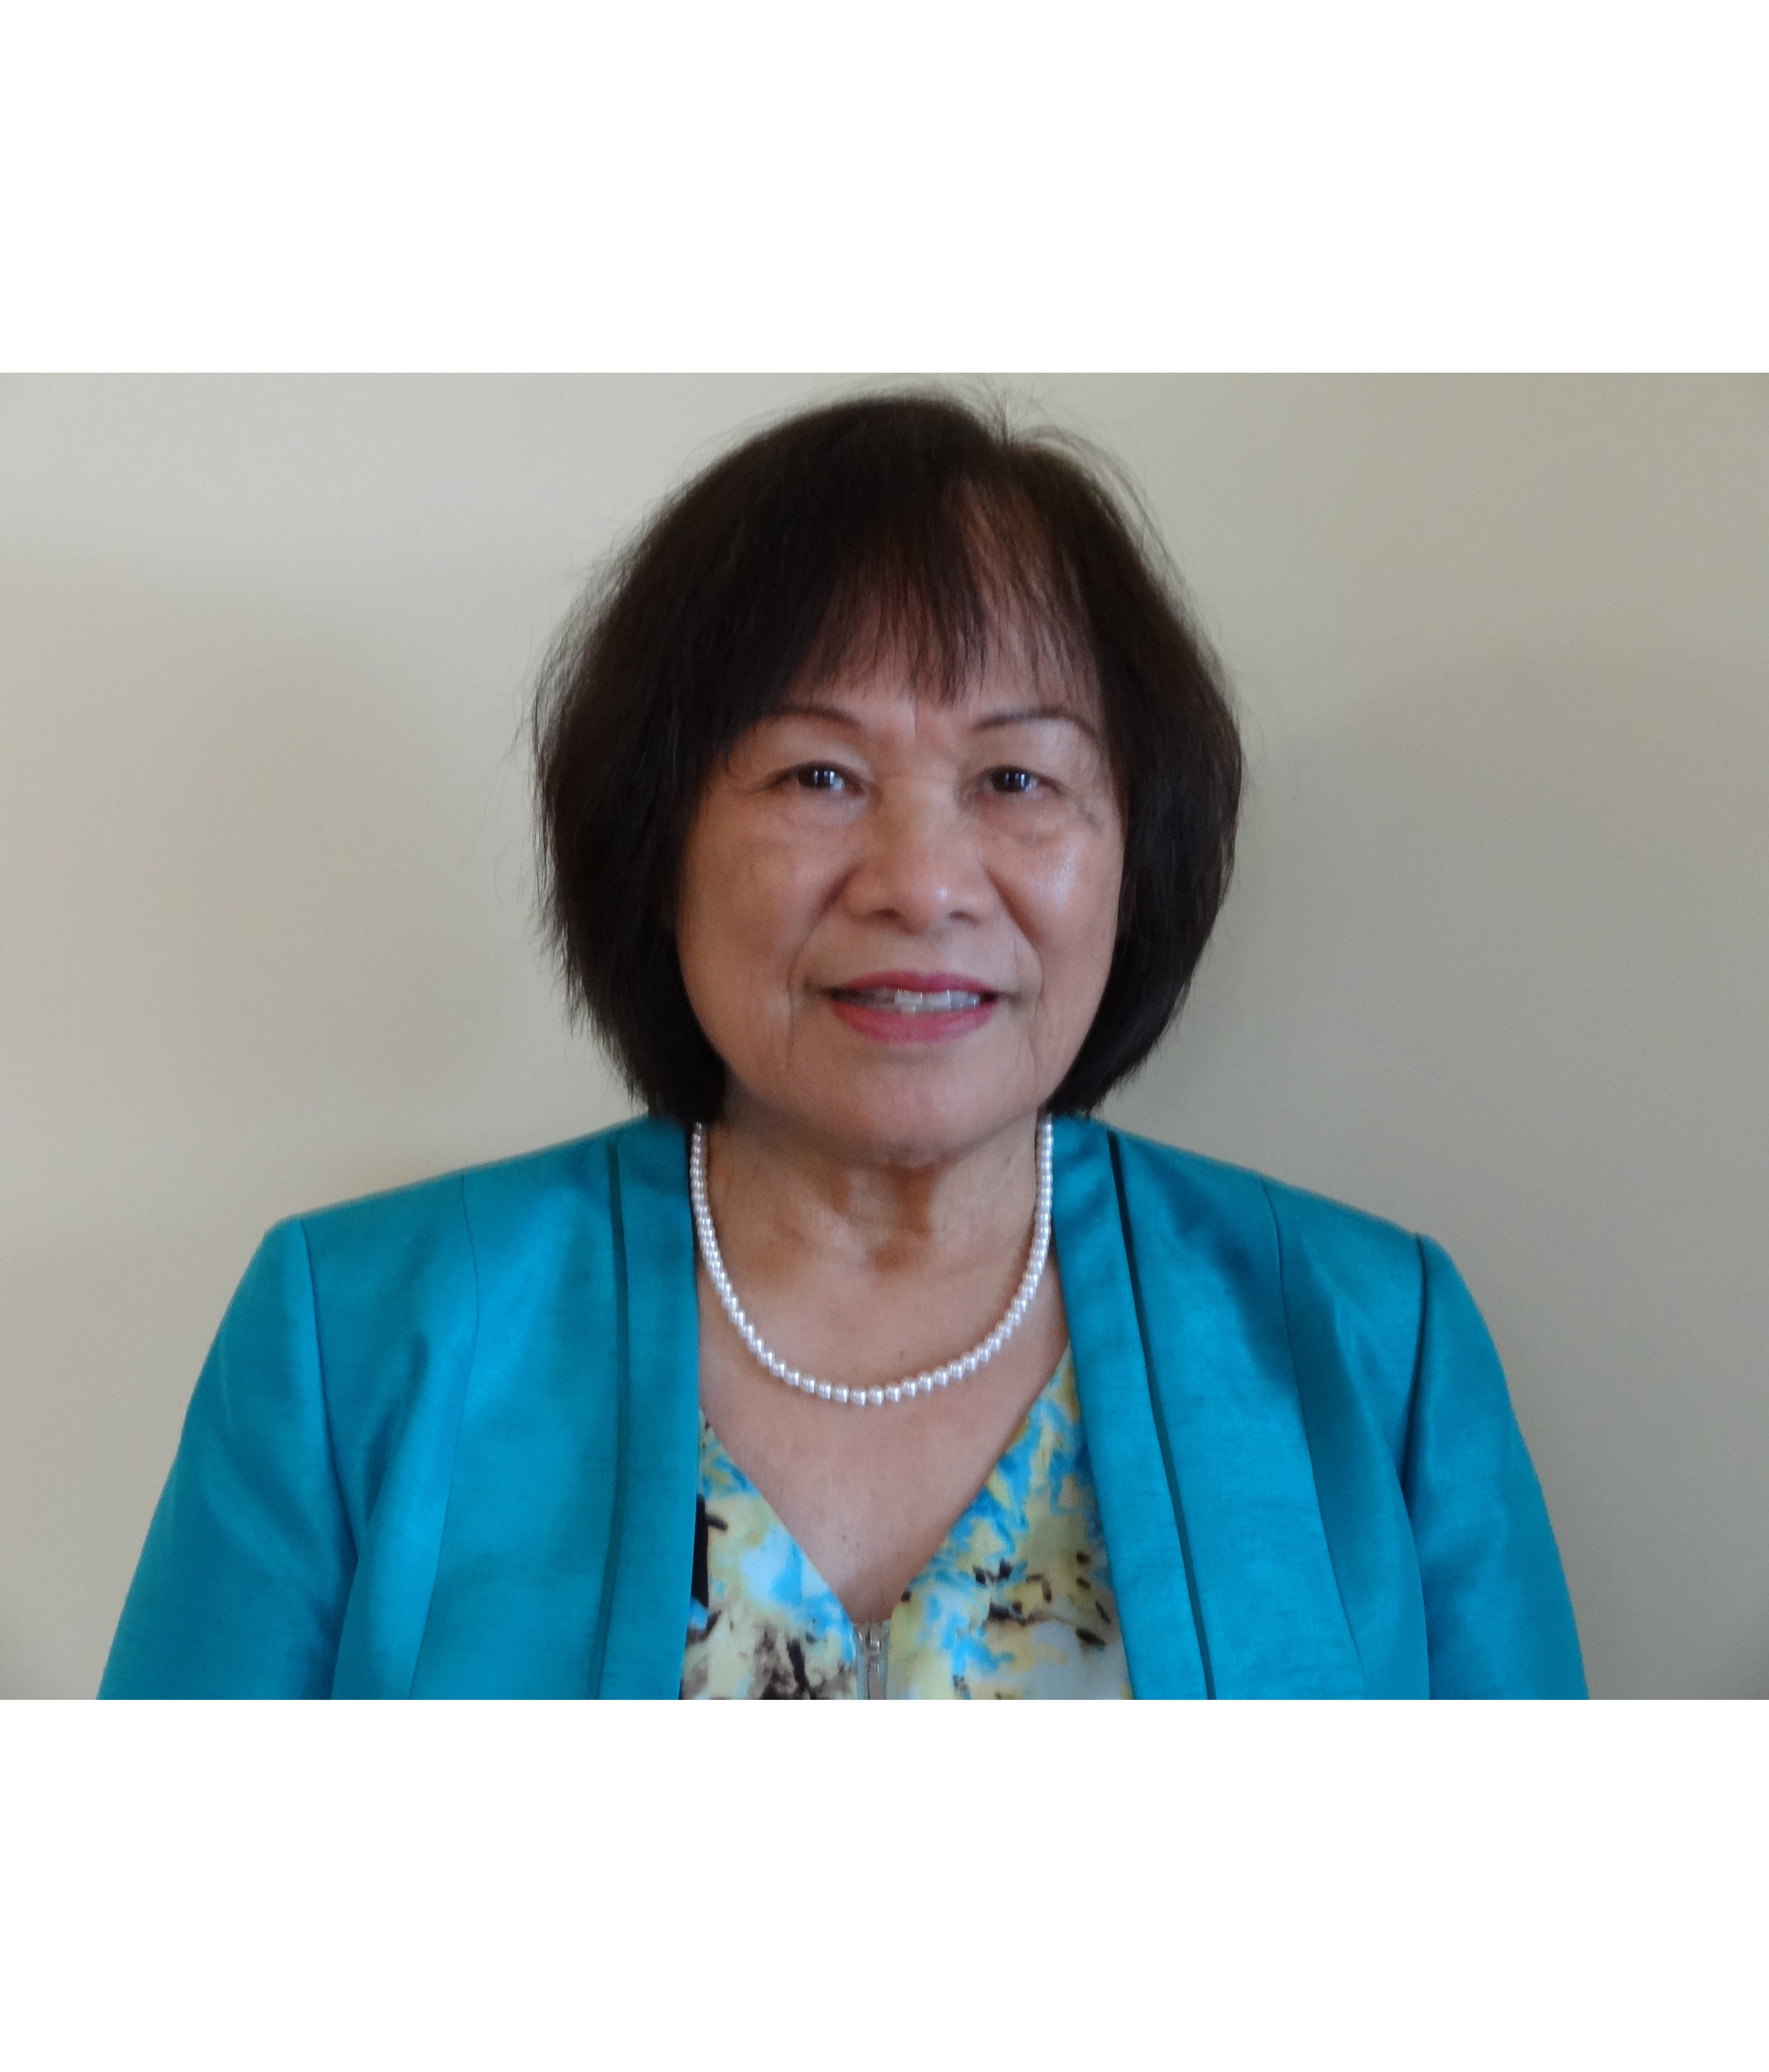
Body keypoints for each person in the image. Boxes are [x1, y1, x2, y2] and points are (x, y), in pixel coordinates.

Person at [100, 391, 1585, 1699]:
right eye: (818, 774)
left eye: (1017, 778)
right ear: (660, 845)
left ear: (1140, 853)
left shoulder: (1373, 1351)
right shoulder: (358, 1342)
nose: (922, 884)